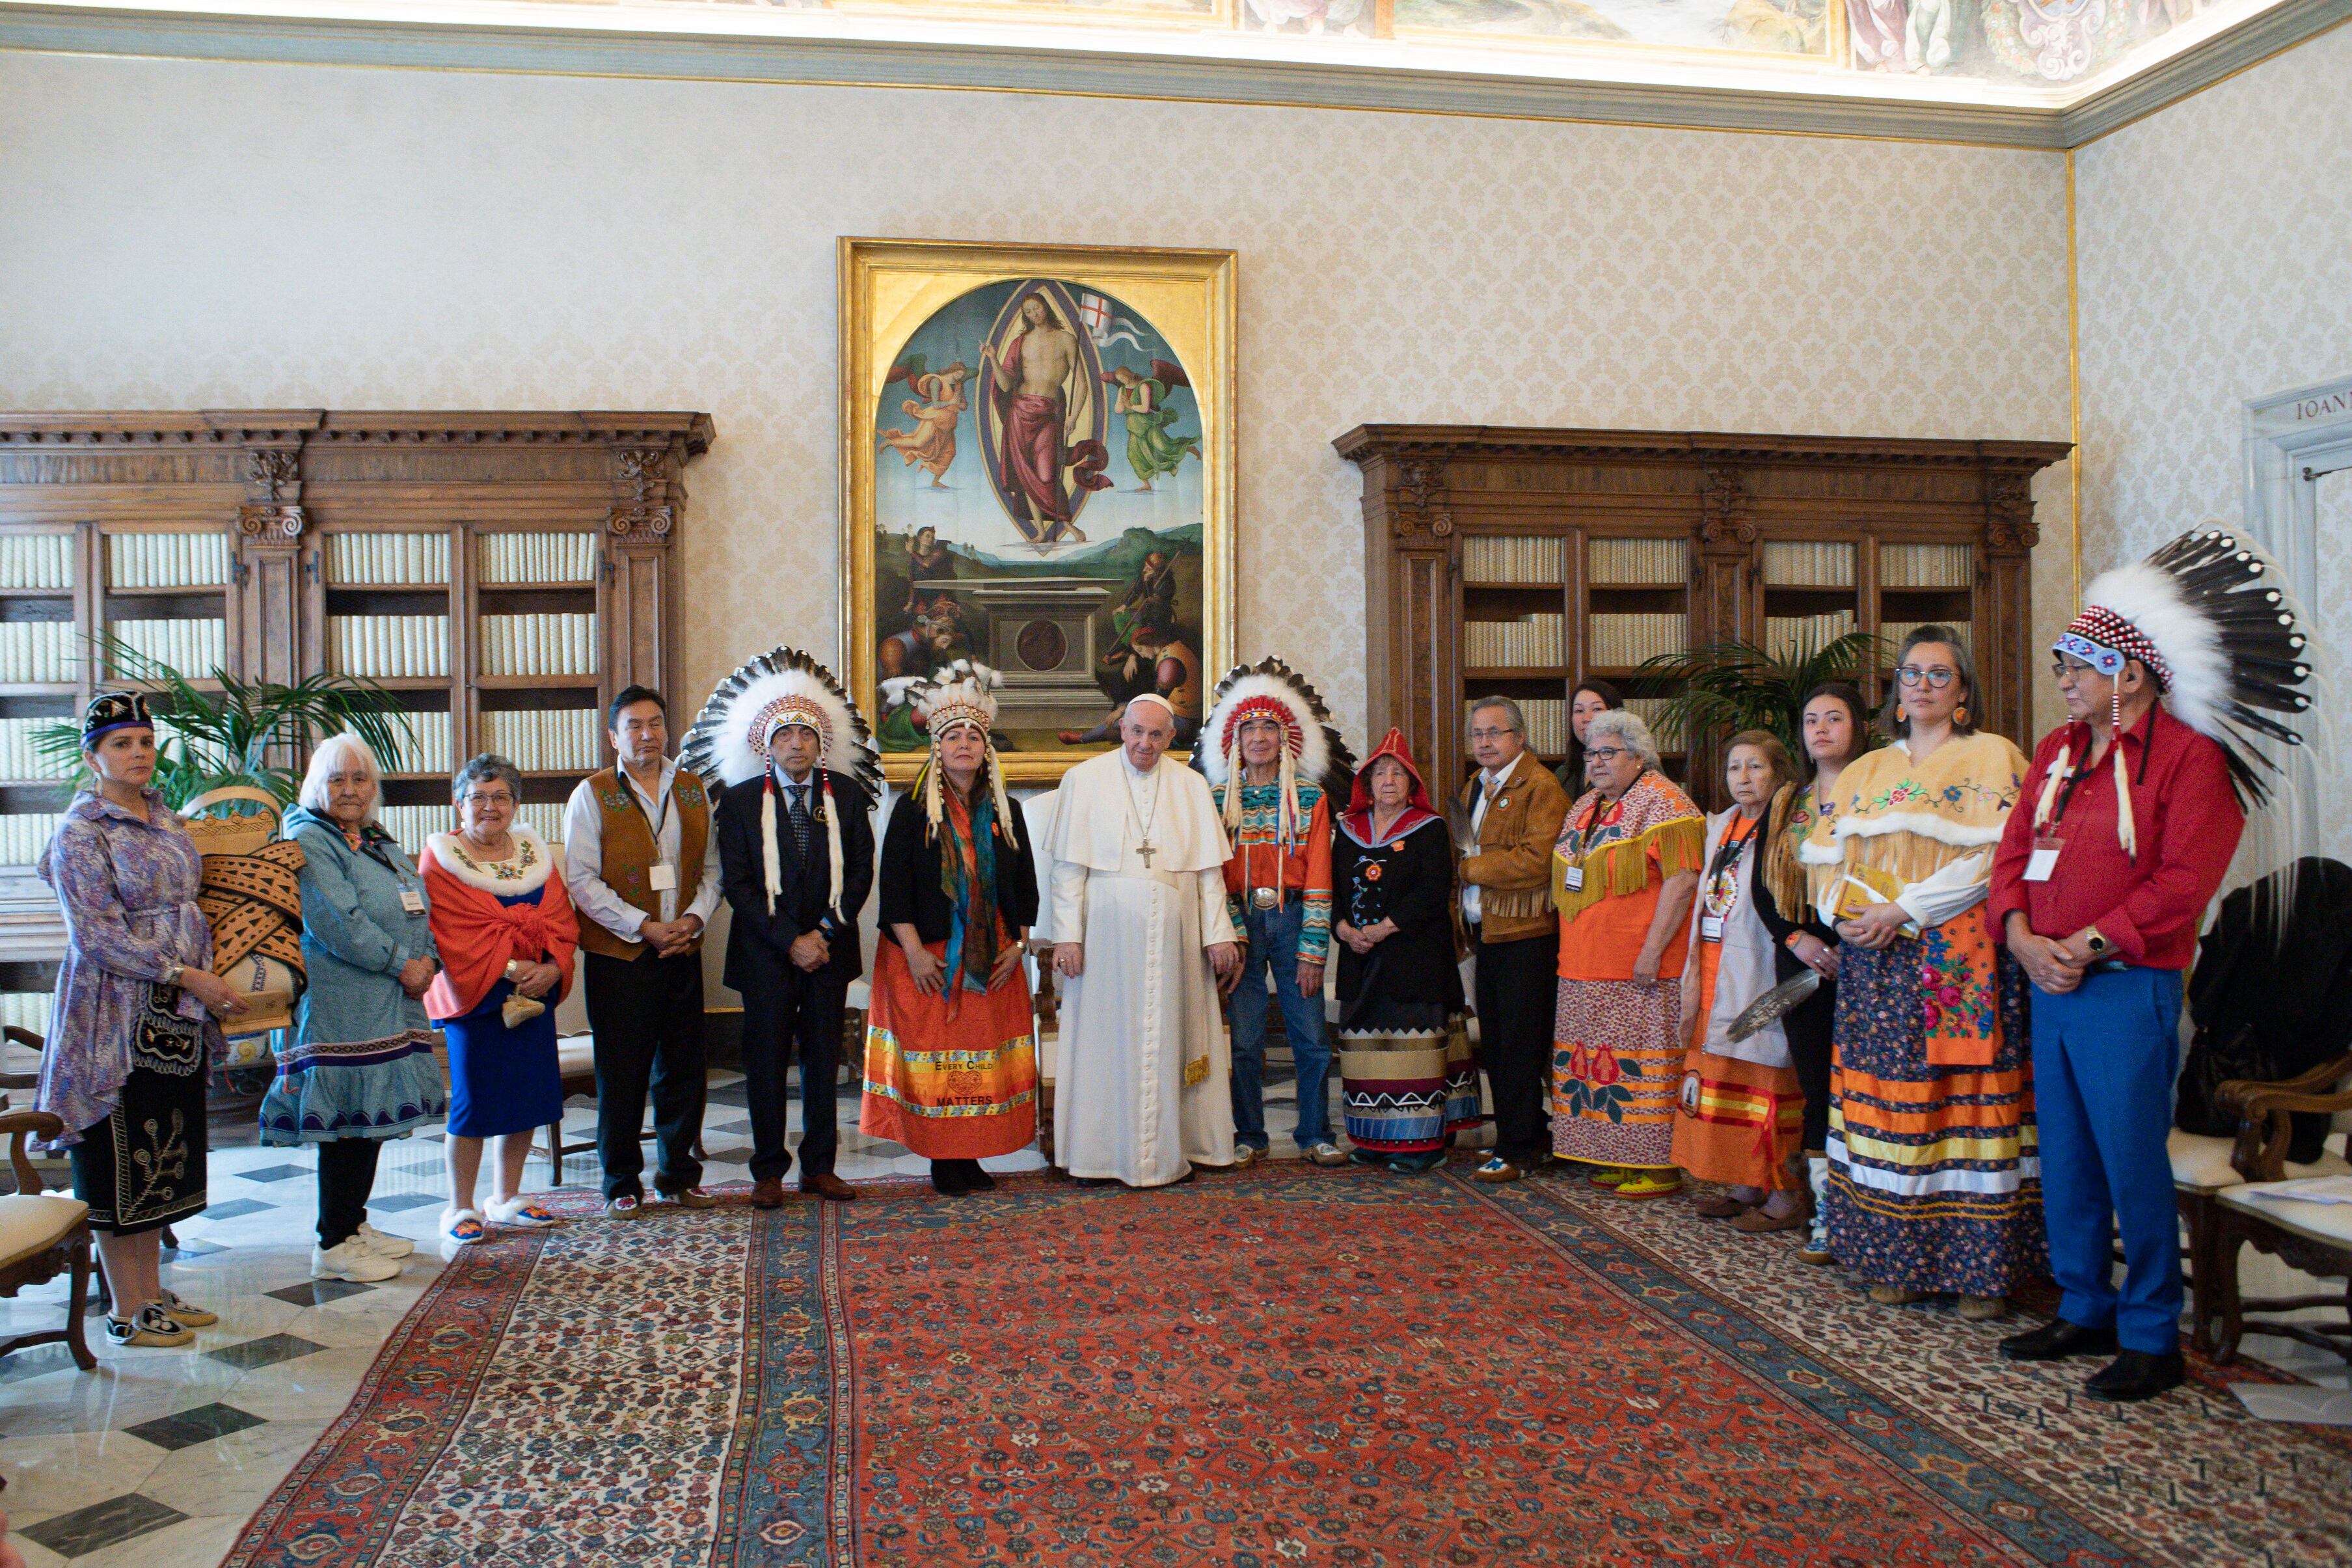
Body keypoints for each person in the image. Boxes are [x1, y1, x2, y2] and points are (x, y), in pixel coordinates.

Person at [1992, 529, 2316, 1403]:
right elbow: (2011, 852)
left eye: (2076, 666)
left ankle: (2148, 1333)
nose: (2062, 679)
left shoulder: (2185, 759)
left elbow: (2183, 881)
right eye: (2061, 666)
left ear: (2126, 673)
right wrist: (2022, 937)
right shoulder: (2058, 755)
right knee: (2063, 1153)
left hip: (2123, 987)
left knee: (2128, 1156)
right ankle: (2082, 1304)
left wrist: (2086, 944)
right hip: (2047, 983)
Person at [1815, 627, 2037, 1321]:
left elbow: (1993, 861)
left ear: (1964, 690)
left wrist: (1905, 909)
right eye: (1912, 673)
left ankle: (1980, 1272)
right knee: (1885, 1103)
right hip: (1873, 962)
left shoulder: (1995, 757)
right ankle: (1893, 1259)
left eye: (1940, 675)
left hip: (1958, 953)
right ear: (1897, 690)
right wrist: (1842, 914)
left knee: (1965, 1104)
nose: (1923, 685)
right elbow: (1826, 860)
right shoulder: (1866, 770)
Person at [33, 692, 249, 1347]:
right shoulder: (81, 832)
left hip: (176, 1010)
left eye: (145, 742)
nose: (137, 754)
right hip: (113, 1011)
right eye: (121, 744)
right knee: (117, 1148)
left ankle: (152, 1290)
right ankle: (125, 1306)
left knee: (164, 1146)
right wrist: (184, 974)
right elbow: (95, 935)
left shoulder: (167, 819)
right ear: (92, 755)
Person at [689, 646, 881, 1207]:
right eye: (784, 736)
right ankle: (768, 1171)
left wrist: (821, 933)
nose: (796, 744)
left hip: (829, 951)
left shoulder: (844, 797)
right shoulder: (741, 803)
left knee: (823, 1062)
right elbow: (740, 884)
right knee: (767, 1063)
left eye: (806, 735)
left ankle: (819, 1167)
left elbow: (861, 873)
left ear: (820, 744)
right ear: (766, 745)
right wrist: (789, 940)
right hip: (765, 956)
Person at [265, 734, 446, 1282]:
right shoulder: (308, 837)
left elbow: (414, 901)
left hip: (387, 1000)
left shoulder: (370, 837)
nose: (350, 789)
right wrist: (402, 963)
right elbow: (338, 921)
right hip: (340, 1005)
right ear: (316, 786)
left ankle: (354, 1223)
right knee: (344, 1120)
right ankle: (333, 1239)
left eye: (360, 778)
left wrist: (429, 959)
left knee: (366, 1121)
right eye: (337, 779)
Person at [1046, 694, 1243, 1187]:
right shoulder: (1084, 780)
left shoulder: (1191, 785)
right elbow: (1067, 870)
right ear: (1121, 729)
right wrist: (1067, 937)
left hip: (1175, 938)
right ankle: (1100, 1154)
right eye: (1136, 732)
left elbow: (1207, 874)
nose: (1144, 743)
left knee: (1175, 1037)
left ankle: (1172, 1151)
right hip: (1105, 940)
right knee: (1105, 1041)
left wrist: (1219, 933)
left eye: (1156, 735)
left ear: (1171, 738)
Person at [862, 665, 1041, 1195]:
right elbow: (892, 888)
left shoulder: (1006, 811)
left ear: (986, 748)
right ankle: (943, 1158)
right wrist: (915, 953)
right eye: (953, 736)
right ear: (936, 748)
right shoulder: (912, 810)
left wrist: (1021, 945)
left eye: (973, 736)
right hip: (928, 957)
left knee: (982, 1059)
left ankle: (971, 1156)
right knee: (938, 1059)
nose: (964, 744)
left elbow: (1025, 885)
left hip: (992, 956)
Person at [563, 685, 722, 1219]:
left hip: (682, 948)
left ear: (666, 729)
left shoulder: (694, 790)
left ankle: (678, 1176)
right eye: (633, 725)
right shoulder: (593, 793)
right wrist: (643, 926)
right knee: (623, 1071)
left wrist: (693, 920)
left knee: (682, 1068)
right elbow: (582, 881)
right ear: (614, 736)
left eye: (654, 723)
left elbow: (713, 871)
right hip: (621, 957)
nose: (646, 734)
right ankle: (620, 1182)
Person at [1195, 657, 1356, 1168]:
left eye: (1269, 726)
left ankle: (1314, 1134)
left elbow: (1319, 875)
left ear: (1285, 737)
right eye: (1249, 728)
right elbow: (1212, 875)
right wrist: (1231, 934)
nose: (1259, 736)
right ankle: (1249, 1134)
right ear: (1234, 740)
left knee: (1309, 1036)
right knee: (1243, 1041)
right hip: (1241, 922)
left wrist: (1313, 950)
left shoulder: (1308, 798)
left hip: (1291, 921)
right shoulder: (1216, 798)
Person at [420, 754, 579, 1248]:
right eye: (479, 797)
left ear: (515, 804)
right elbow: (451, 932)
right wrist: (514, 968)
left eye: (501, 797)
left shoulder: (534, 853)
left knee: (527, 1099)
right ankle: (460, 1206)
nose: (490, 807)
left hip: (534, 995)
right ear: (458, 803)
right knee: (474, 1103)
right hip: (478, 997)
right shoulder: (442, 858)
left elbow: (560, 919)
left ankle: (506, 1198)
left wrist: (551, 966)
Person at [1550, 709, 1706, 1197]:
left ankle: (1657, 1166)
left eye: (1608, 753)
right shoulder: (1584, 805)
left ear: (1639, 756)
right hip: (1583, 965)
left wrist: (1652, 950)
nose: (1595, 762)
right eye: (1591, 752)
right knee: (1598, 1064)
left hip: (1638, 967)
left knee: (1640, 1062)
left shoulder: (1665, 802)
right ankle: (1615, 1156)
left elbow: (1682, 882)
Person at [1673, 731, 1809, 1228]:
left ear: (1778, 773)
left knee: (1763, 1078)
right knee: (1721, 1076)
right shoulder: (1721, 825)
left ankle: (1784, 1192)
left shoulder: (1789, 825)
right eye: (1734, 768)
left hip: (1760, 968)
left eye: (1755, 767)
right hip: (1711, 966)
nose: (1743, 778)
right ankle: (1743, 1180)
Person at [1757, 683, 1868, 1264]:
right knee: (1817, 1087)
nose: (1820, 729)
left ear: (1858, 726)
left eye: (1834, 718)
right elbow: (1762, 886)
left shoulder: (1881, 790)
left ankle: (1870, 1212)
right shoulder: (1785, 802)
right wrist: (1794, 938)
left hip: (1868, 954)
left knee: (1868, 1090)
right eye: (1810, 721)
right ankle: (1825, 1212)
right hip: (1800, 957)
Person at [1332, 729, 1474, 1173]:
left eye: (1397, 773)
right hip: (1359, 957)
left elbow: (1434, 891)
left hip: (1414, 958)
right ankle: (1373, 1139)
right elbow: (1333, 889)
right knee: (1366, 1052)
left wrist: (1384, 928)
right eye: (1379, 773)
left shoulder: (1429, 829)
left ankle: (1420, 1146)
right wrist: (1343, 929)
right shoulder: (1347, 830)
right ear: (1367, 783)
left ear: (1412, 784)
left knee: (1414, 1050)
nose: (1388, 780)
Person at [1458, 696, 1572, 1183]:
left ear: (1519, 737)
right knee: (1499, 1045)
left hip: (1527, 935)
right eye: (1477, 734)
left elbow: (1536, 858)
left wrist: (1469, 869)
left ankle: (1522, 1148)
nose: (1484, 743)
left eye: (1495, 733)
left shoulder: (1541, 787)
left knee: (1521, 1046)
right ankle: (1515, 1137)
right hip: (1489, 933)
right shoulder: (1474, 786)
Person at [1554, 679, 1621, 794]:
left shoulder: (1635, 766)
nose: (1586, 718)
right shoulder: (1564, 774)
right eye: (1579, 711)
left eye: (1597, 709)